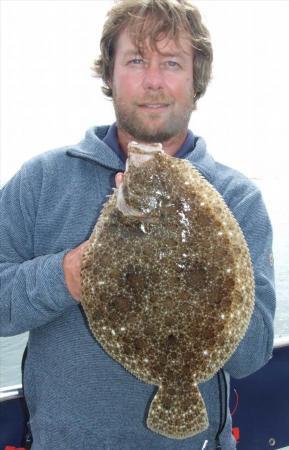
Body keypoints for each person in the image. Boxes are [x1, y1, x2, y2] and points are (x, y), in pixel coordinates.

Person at [0, 0, 276, 449]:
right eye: (135, 60)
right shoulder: (41, 181)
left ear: (195, 80)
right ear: (109, 74)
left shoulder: (238, 198)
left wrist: (202, 269)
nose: (153, 80)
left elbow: (252, 354)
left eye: (171, 62)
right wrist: (69, 275)